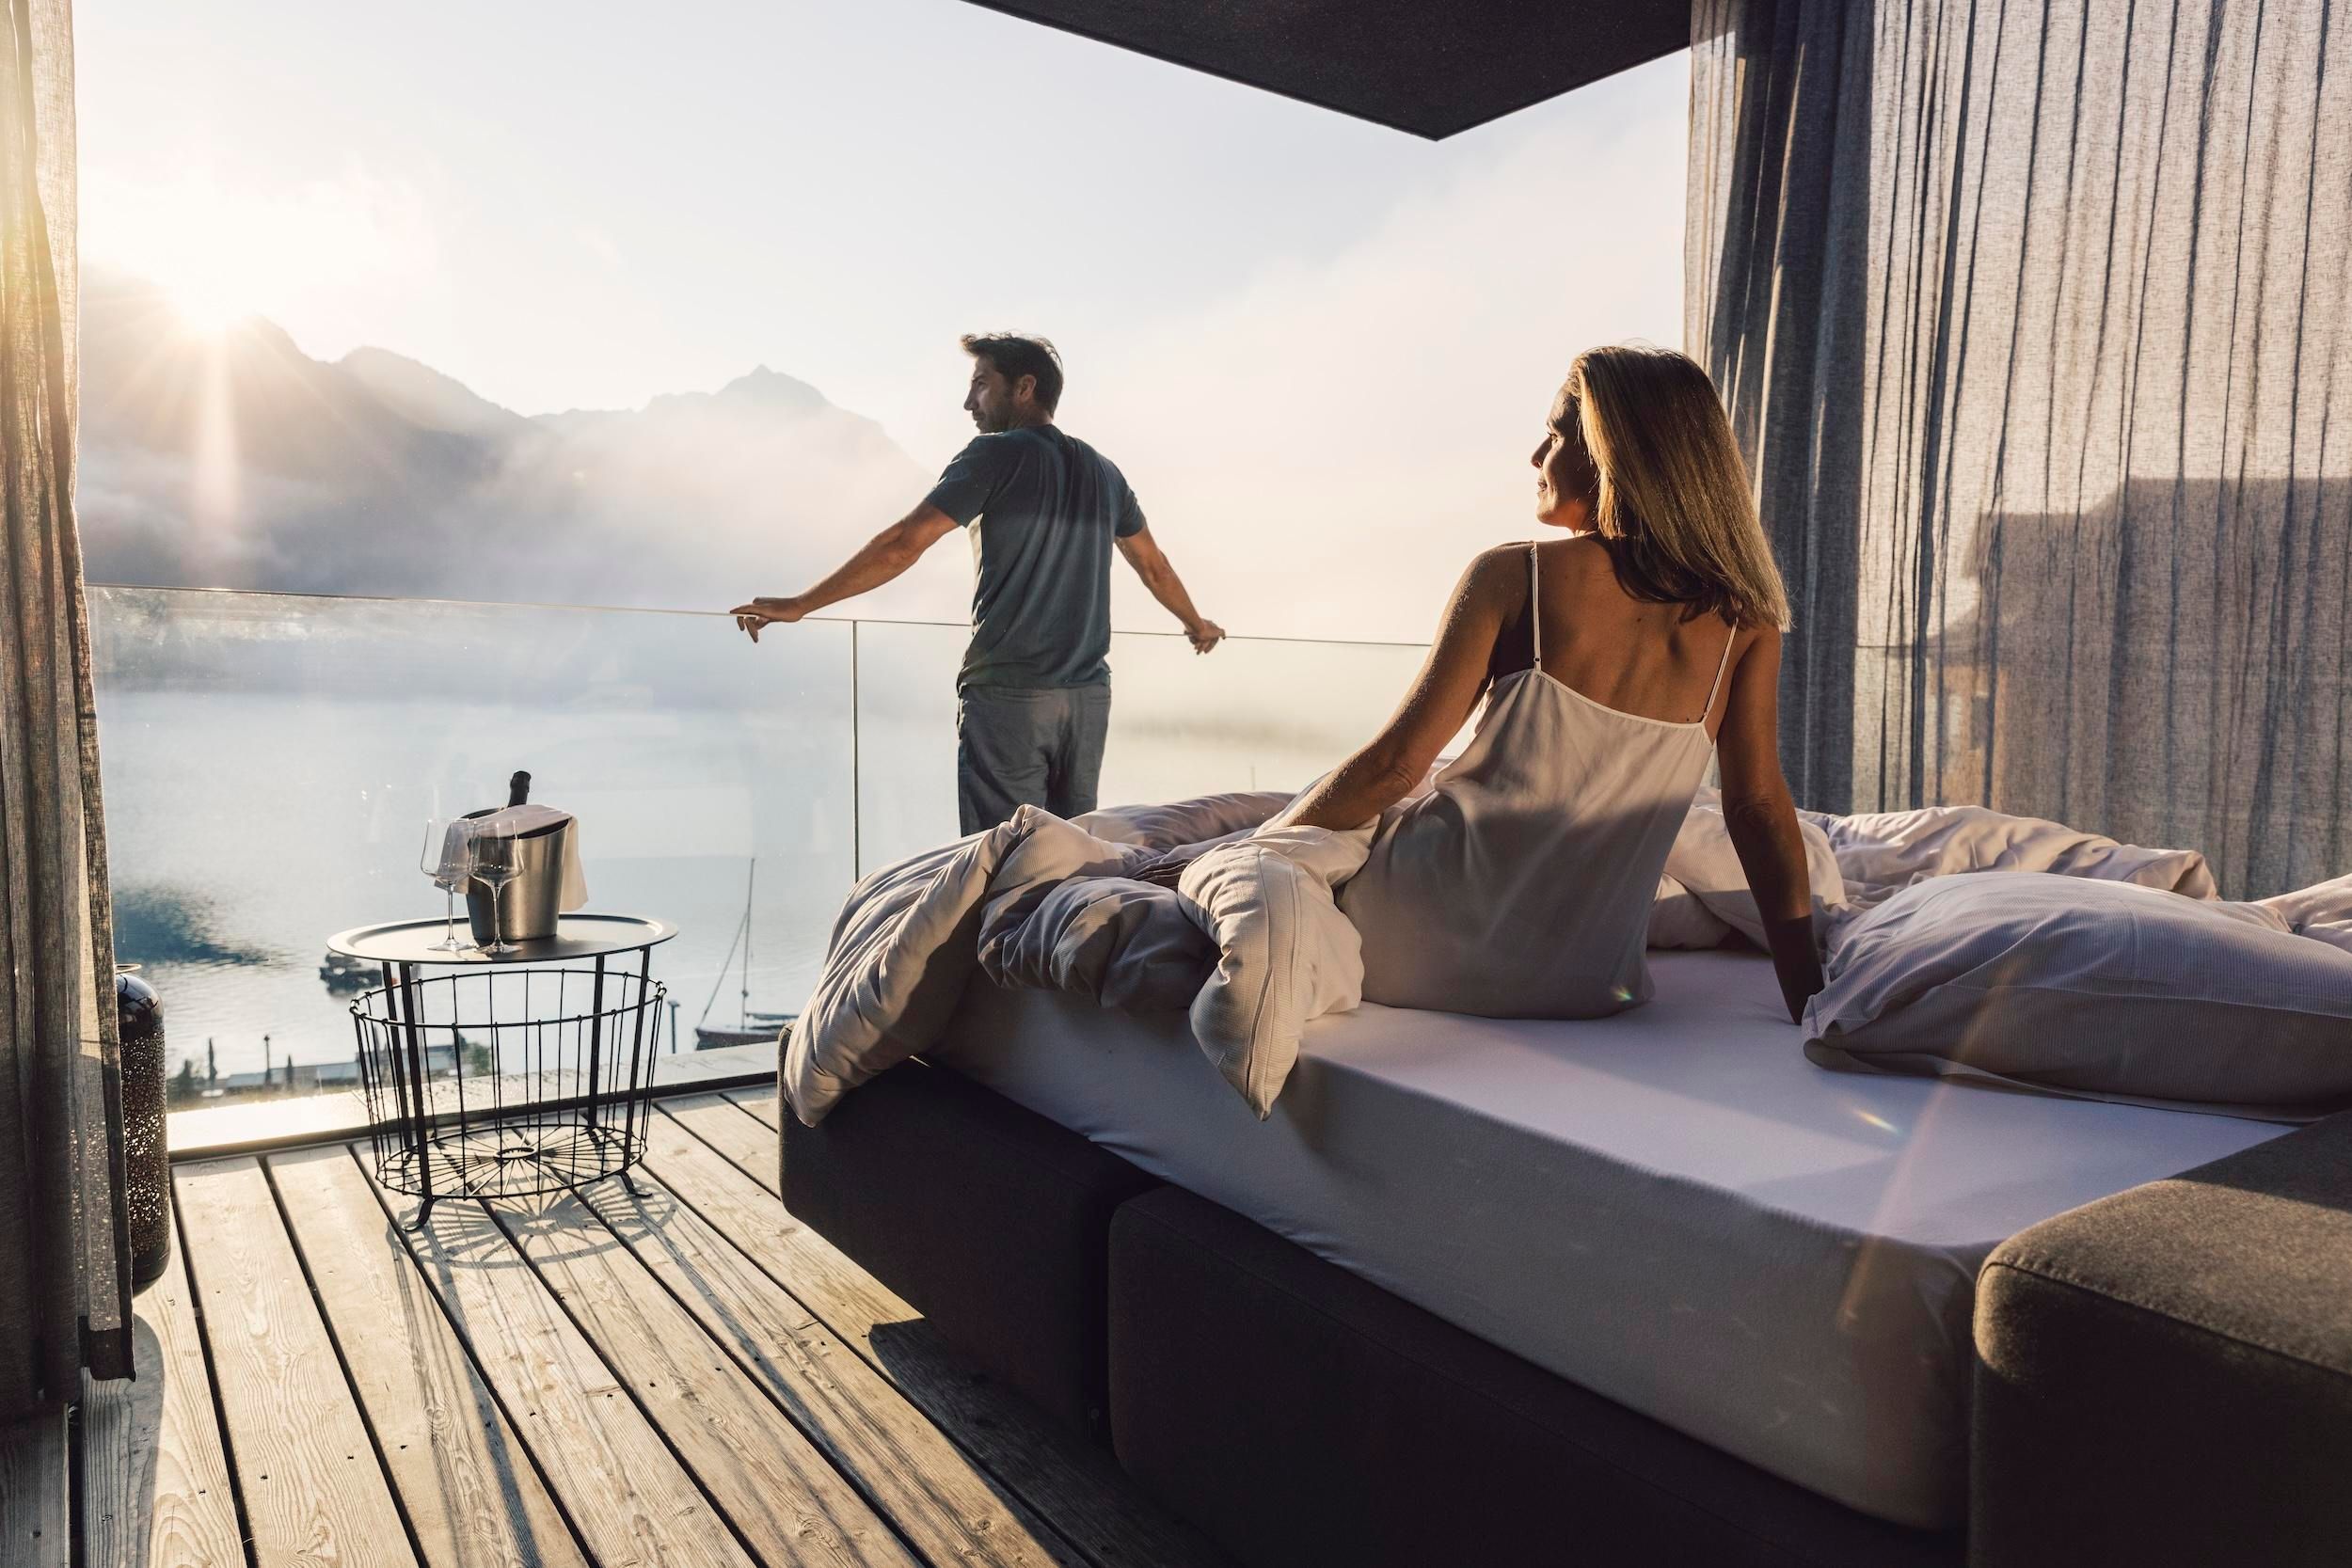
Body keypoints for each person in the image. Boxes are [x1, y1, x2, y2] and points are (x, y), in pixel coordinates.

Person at [1160, 345, 1822, 1022]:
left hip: (1411, 941)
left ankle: (1194, 863)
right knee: (1335, 821)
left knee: (1293, 841)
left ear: (1610, 452)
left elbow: (1393, 766)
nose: (1537, 456)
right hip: (1586, 979)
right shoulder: (1745, 619)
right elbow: (1760, 811)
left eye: (1557, 433)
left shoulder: (1515, 575)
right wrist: (1809, 995)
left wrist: (1260, 846)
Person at [732, 333, 1223, 833]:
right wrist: (1196, 624)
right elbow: (1153, 565)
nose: (969, 402)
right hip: (1087, 701)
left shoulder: (994, 455)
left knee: (1003, 860)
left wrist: (803, 604)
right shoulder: (1104, 473)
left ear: (1025, 387)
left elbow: (905, 542)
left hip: (1010, 694)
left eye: (982, 385)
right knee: (1073, 860)